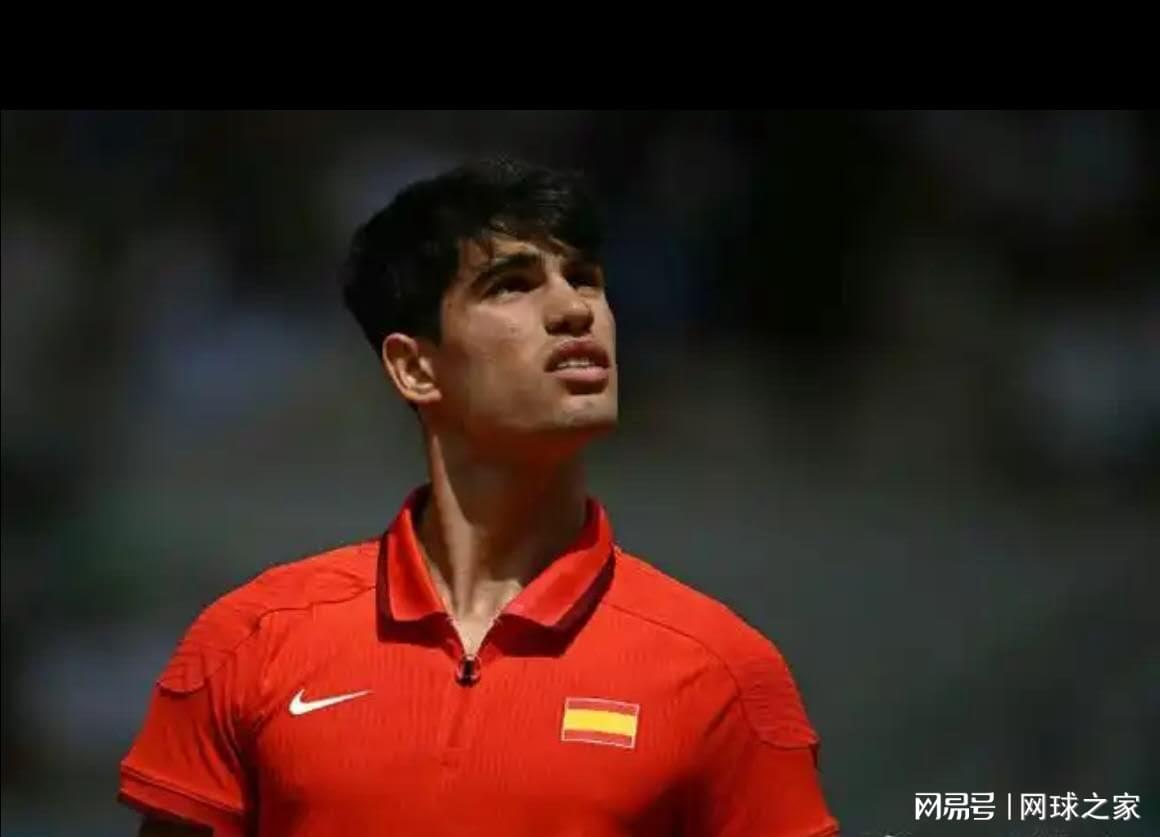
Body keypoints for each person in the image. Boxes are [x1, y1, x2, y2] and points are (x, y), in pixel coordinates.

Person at [118, 156, 840, 836]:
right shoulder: (250, 642)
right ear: (414, 368)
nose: (575, 309)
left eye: (585, 279)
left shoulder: (724, 673)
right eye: (512, 285)